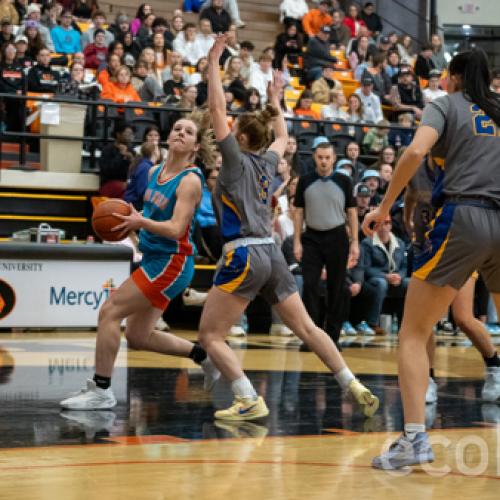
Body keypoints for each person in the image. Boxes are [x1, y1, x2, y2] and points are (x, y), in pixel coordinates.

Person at [200, 33, 379, 421]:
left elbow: (216, 109)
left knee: (210, 336)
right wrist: (276, 98)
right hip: (270, 251)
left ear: (240, 137)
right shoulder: (269, 161)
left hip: (245, 252)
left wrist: (213, 61)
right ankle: (353, 383)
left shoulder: (235, 162)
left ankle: (247, 398)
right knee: (309, 328)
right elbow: (283, 134)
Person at [365, 48, 500, 470]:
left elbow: (413, 154)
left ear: (454, 76)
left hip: (465, 217)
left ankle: (414, 440)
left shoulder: (444, 105)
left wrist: (384, 205)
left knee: (412, 331)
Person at [60, 112, 220, 410]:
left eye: (188, 132)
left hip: (172, 262)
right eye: (177, 128)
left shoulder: (190, 181)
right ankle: (204, 357)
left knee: (109, 311)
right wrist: (133, 222)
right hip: (154, 258)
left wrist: (140, 222)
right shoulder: (153, 172)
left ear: (196, 147)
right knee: (137, 335)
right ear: (168, 136)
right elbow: (149, 218)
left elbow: (175, 229)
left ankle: (101, 389)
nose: (181, 133)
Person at [404, 157, 500, 405]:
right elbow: (410, 196)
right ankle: (428, 378)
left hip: (456, 247)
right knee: (422, 322)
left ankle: (493, 365)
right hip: (424, 246)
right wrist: (408, 221)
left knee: (463, 317)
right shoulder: (415, 165)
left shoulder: (460, 165)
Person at [294, 140, 360, 346]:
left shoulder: (344, 181)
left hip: (337, 236)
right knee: (311, 285)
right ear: (314, 157)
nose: (323, 161)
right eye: (320, 157)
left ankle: (333, 336)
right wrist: (297, 240)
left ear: (334, 159)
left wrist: (355, 242)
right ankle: (312, 336)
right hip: (312, 237)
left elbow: (352, 212)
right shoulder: (305, 181)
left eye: (327, 158)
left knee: (337, 287)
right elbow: (298, 212)